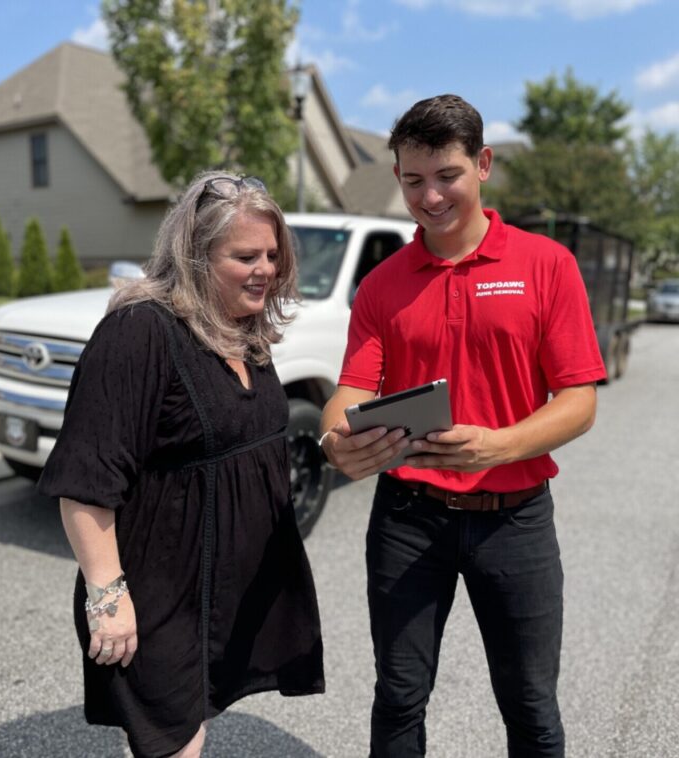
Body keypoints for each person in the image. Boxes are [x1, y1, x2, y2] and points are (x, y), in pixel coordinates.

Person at [319, 94, 605, 757]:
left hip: (516, 518)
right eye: (413, 180)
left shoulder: (546, 265)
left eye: (446, 174)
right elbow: (351, 392)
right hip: (408, 517)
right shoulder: (383, 284)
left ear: (482, 165)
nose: (431, 195)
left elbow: (580, 399)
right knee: (398, 696)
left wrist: (498, 446)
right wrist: (338, 442)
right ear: (397, 178)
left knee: (530, 703)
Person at [38, 171, 324, 758]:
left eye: (273, 254)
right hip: (156, 592)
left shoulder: (241, 328)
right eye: (245, 255)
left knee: (190, 727)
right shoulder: (139, 331)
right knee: (173, 743)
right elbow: (86, 483)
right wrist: (108, 598)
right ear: (194, 257)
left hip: (223, 592)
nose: (266, 269)